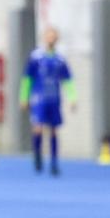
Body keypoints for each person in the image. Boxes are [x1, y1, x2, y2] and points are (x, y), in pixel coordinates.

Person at [22, 27, 75, 176]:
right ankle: (38, 155)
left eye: (54, 36)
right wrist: (24, 97)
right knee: (38, 128)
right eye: (49, 36)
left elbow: (68, 80)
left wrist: (72, 98)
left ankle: (54, 162)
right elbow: (27, 78)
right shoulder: (36, 57)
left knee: (53, 130)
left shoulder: (60, 59)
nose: (51, 39)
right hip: (39, 98)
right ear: (44, 38)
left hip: (54, 99)